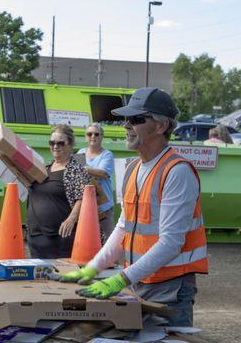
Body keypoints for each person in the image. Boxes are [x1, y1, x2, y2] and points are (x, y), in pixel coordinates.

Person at [60, 88, 208, 327]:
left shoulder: (177, 172)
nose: (126, 125)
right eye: (126, 119)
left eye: (136, 119)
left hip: (169, 290)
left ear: (160, 127)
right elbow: (122, 228)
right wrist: (93, 268)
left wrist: (119, 280)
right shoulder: (132, 168)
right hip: (138, 282)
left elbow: (171, 242)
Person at [26, 124, 91, 258]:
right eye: (52, 142)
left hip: (59, 239)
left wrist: (71, 220)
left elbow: (83, 197)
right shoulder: (45, 168)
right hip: (36, 237)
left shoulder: (75, 169)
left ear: (70, 144)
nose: (55, 146)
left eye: (60, 143)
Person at [77, 123, 115, 242]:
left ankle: (117, 261)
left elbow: (103, 173)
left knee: (111, 240)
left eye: (96, 134)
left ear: (102, 137)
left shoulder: (107, 155)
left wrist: (86, 170)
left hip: (103, 206)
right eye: (89, 134)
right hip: (85, 204)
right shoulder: (81, 152)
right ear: (85, 137)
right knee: (87, 239)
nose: (93, 136)